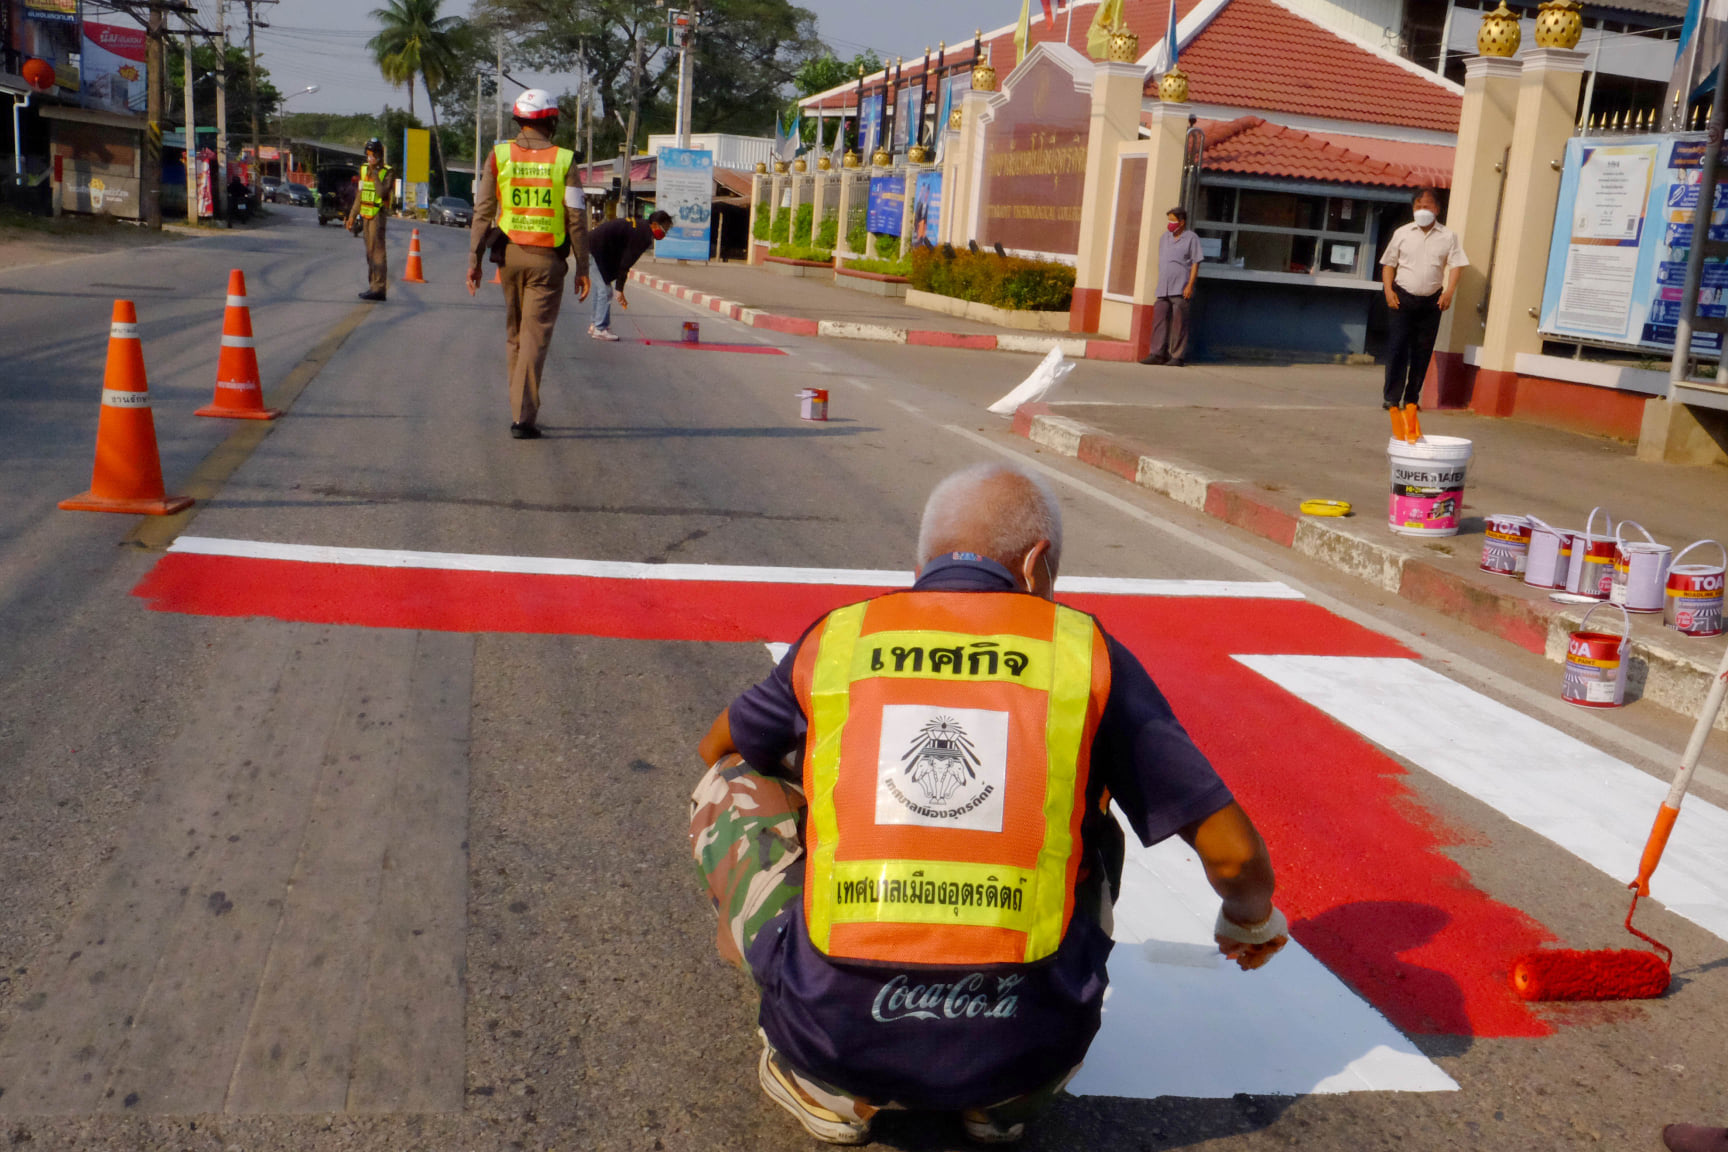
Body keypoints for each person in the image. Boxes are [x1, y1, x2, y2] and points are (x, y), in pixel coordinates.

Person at [690, 462, 1288, 1146]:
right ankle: (998, 1105)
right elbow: (1235, 855)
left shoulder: (843, 637)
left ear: (923, 563)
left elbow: (721, 745)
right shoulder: (1083, 651)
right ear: (1036, 565)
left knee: (731, 777)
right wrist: (1249, 921)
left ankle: (830, 1091)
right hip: (1026, 1057)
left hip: (835, 1043)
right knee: (1089, 820)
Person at [466, 89, 591, 440]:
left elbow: (483, 212)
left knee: (515, 336)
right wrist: (583, 266)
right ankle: (523, 416)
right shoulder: (564, 160)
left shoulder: (499, 155)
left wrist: (473, 261)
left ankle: (518, 406)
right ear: (551, 121)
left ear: (519, 120)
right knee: (534, 338)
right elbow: (577, 219)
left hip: (509, 259)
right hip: (547, 261)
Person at [1379, 186, 1466, 443]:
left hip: (1431, 301)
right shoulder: (1402, 234)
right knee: (1397, 347)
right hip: (1402, 297)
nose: (1423, 211)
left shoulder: (1448, 236)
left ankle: (1412, 397)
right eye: (1418, 206)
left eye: (1428, 206)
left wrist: (1449, 292)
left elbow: (1456, 265)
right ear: (1412, 208)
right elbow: (1388, 264)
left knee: (1422, 350)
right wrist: (1388, 292)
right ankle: (1391, 396)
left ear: (1437, 209)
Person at [584, 209, 672, 341]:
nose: (665, 232)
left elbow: (621, 256)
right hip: (593, 249)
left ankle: (595, 324)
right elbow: (626, 262)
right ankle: (600, 328)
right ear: (654, 224)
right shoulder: (643, 235)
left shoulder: (641, 226)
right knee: (606, 291)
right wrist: (619, 289)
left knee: (601, 288)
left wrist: (617, 284)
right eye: (664, 228)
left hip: (595, 249)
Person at [1139, 205, 1204, 367]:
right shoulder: (1164, 238)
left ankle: (1177, 356)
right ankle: (1157, 353)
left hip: (1181, 287)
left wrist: (1190, 285)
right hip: (1163, 287)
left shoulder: (1191, 238)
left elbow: (1196, 262)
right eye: (1169, 220)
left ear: (1181, 222)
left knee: (1179, 322)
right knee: (1159, 320)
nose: (1170, 223)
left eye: (1173, 220)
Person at [345, 139, 393, 302]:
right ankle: (373, 285)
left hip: (377, 216)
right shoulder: (364, 169)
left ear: (380, 155)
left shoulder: (387, 171)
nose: (370, 158)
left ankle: (379, 289)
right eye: (368, 155)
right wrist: (352, 215)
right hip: (365, 216)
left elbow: (381, 192)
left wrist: (375, 173)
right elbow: (360, 195)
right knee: (369, 253)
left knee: (377, 253)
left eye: (373, 155)